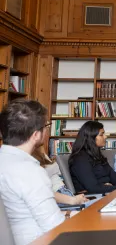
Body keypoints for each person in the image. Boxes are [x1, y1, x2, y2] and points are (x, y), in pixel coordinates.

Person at [0, 100, 65, 245]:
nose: (47, 130)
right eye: (46, 126)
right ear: (36, 135)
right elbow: (57, 229)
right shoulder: (30, 171)